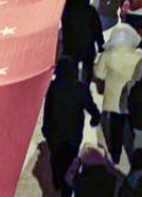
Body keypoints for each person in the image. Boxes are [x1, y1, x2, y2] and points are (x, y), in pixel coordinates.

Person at [44, 57, 102, 197]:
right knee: (70, 162)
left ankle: (58, 183)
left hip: (55, 134)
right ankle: (67, 190)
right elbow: (90, 106)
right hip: (73, 135)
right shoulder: (79, 87)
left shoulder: (52, 87)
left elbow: (48, 110)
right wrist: (95, 118)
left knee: (56, 160)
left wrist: (46, 129)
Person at [94, 23, 142, 164]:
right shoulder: (138, 56)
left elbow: (99, 74)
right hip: (132, 99)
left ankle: (115, 155)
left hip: (113, 100)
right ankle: (133, 156)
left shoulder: (108, 54)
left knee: (115, 129)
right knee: (131, 127)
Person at [61, 0, 105, 82]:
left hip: (71, 48)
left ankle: (74, 86)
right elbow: (97, 29)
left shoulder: (67, 12)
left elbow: (65, 29)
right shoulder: (90, 11)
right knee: (88, 71)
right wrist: (101, 44)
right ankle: (85, 86)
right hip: (87, 47)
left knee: (72, 71)